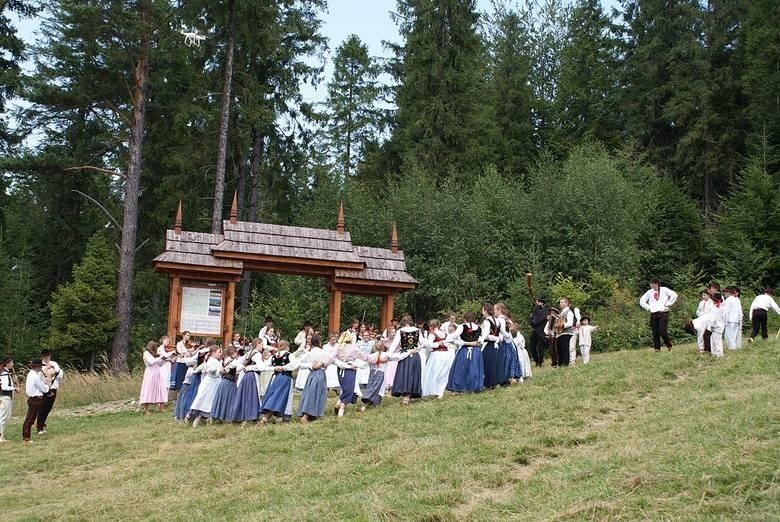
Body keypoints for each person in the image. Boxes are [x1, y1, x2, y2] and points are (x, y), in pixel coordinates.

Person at [360, 341, 413, 410]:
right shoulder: (386, 355)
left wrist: (355, 366)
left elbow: (364, 364)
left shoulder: (371, 356)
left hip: (372, 374)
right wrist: (409, 352)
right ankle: (367, 404)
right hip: (381, 374)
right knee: (376, 389)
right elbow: (399, 357)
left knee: (372, 388)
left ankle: (370, 404)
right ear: (383, 347)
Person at [390, 315, 427, 405]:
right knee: (413, 375)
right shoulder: (417, 330)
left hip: (404, 355)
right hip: (414, 355)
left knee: (404, 374)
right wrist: (417, 348)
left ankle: (406, 396)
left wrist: (389, 354)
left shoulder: (400, 331)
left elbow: (394, 344)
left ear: (403, 322)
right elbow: (424, 343)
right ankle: (408, 395)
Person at [296, 335, 334, 423]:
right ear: (319, 342)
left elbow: (298, 363)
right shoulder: (323, 352)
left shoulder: (309, 353)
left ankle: (311, 415)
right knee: (316, 394)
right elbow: (324, 363)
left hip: (311, 374)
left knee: (309, 392)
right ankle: (306, 415)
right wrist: (313, 365)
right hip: (320, 373)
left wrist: (309, 365)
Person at [259, 341, 297, 423]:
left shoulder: (273, 356)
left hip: (275, 378)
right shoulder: (289, 355)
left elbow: (262, 366)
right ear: (287, 347)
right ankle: (284, 417)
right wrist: (284, 367)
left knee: (274, 395)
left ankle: (270, 417)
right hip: (285, 377)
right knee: (284, 397)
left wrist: (274, 368)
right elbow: (295, 364)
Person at [446, 312, 485, 393]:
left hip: (465, 351)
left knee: (461, 369)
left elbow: (449, 338)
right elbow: (482, 339)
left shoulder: (462, 327)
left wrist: (462, 342)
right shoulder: (479, 327)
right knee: (474, 369)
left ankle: (462, 387)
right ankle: (474, 387)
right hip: (476, 352)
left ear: (464, 319)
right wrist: (477, 342)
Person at [639, 278, 678, 351]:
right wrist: (648, 308)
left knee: (662, 331)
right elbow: (641, 301)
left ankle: (669, 345)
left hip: (663, 312)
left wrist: (668, 304)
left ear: (656, 284)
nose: (651, 285)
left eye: (652, 283)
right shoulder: (649, 292)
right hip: (653, 313)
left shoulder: (664, 290)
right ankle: (657, 348)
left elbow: (674, 295)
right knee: (655, 332)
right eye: (650, 283)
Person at [188, 345, 223, 426]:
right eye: (218, 352)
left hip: (214, 383)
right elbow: (210, 370)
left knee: (210, 401)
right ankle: (196, 419)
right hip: (209, 384)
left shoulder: (216, 361)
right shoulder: (211, 361)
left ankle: (207, 419)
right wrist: (218, 368)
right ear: (213, 353)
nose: (220, 354)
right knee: (204, 400)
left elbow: (216, 372)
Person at [421, 320, 456, 399]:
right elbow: (448, 343)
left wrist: (437, 344)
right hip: (446, 355)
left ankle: (429, 392)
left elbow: (429, 345)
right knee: (442, 374)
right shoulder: (444, 334)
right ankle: (440, 392)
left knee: (431, 373)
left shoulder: (432, 334)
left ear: (431, 326)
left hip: (436, 355)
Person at [23, 359, 51, 443]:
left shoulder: (31, 374)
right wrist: (48, 386)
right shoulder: (35, 376)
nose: (41, 368)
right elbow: (42, 388)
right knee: (30, 419)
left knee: (30, 418)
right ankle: (26, 437)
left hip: (33, 398)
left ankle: (26, 436)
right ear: (37, 366)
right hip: (35, 399)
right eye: (40, 366)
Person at [36, 350, 62, 435]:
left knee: (48, 408)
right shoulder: (40, 365)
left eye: (48, 356)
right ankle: (39, 426)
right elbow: (39, 377)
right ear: (42, 357)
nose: (46, 358)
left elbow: (60, 375)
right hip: (44, 388)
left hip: (53, 387)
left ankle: (42, 424)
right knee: (42, 407)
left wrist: (54, 372)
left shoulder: (54, 364)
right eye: (45, 357)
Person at [481, 302, 505, 388]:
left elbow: (486, 334)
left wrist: (480, 340)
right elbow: (503, 333)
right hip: (497, 346)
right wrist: (499, 338)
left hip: (490, 345)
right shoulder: (497, 320)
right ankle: (497, 381)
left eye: (483, 311)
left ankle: (489, 383)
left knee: (488, 363)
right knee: (496, 363)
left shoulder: (487, 321)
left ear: (486, 311)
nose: (482, 312)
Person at [495, 303, 521, 383]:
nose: (494, 311)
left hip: (505, 341)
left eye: (495, 309)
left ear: (499, 310)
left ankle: (508, 377)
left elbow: (502, 330)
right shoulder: (504, 319)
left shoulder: (501, 319)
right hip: (507, 341)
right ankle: (511, 377)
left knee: (507, 358)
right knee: (510, 357)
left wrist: (506, 336)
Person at [139, 341, 167, 414]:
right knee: (149, 389)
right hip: (150, 372)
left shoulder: (154, 355)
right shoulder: (146, 353)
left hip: (157, 372)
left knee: (161, 388)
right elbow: (151, 362)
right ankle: (146, 409)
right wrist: (160, 356)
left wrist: (163, 359)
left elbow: (160, 364)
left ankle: (161, 406)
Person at [0, 355, 19, 442]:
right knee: (4, 416)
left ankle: (1, 435)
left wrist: (14, 382)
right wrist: (14, 388)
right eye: (11, 363)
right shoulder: (4, 373)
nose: (13, 364)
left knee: (6, 416)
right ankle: (0, 436)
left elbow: (8, 384)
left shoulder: (7, 372)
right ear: (7, 363)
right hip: (5, 397)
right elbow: (4, 387)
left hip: (7, 397)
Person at [552, 298, 575, 367]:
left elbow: (570, 323)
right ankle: (561, 364)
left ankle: (565, 364)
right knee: (559, 349)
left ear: (566, 303)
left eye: (562, 302)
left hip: (566, 332)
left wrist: (562, 325)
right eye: (560, 302)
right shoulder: (561, 313)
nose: (560, 304)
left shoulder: (569, 312)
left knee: (564, 348)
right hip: (560, 333)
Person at [528, 298, 549, 367]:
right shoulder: (535, 311)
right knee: (532, 347)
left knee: (540, 348)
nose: (536, 304)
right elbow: (531, 321)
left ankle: (540, 362)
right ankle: (536, 360)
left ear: (542, 303)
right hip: (535, 331)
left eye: (538, 302)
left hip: (541, 331)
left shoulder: (545, 311)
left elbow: (536, 320)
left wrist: (533, 320)